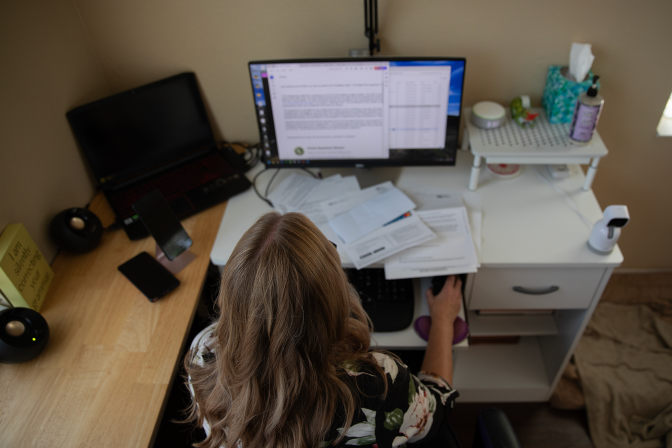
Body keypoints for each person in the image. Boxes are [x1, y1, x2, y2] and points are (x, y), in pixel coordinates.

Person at [184, 212, 463, 448]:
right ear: (332, 293)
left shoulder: (204, 355)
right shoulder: (376, 383)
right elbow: (437, 408)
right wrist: (442, 320)